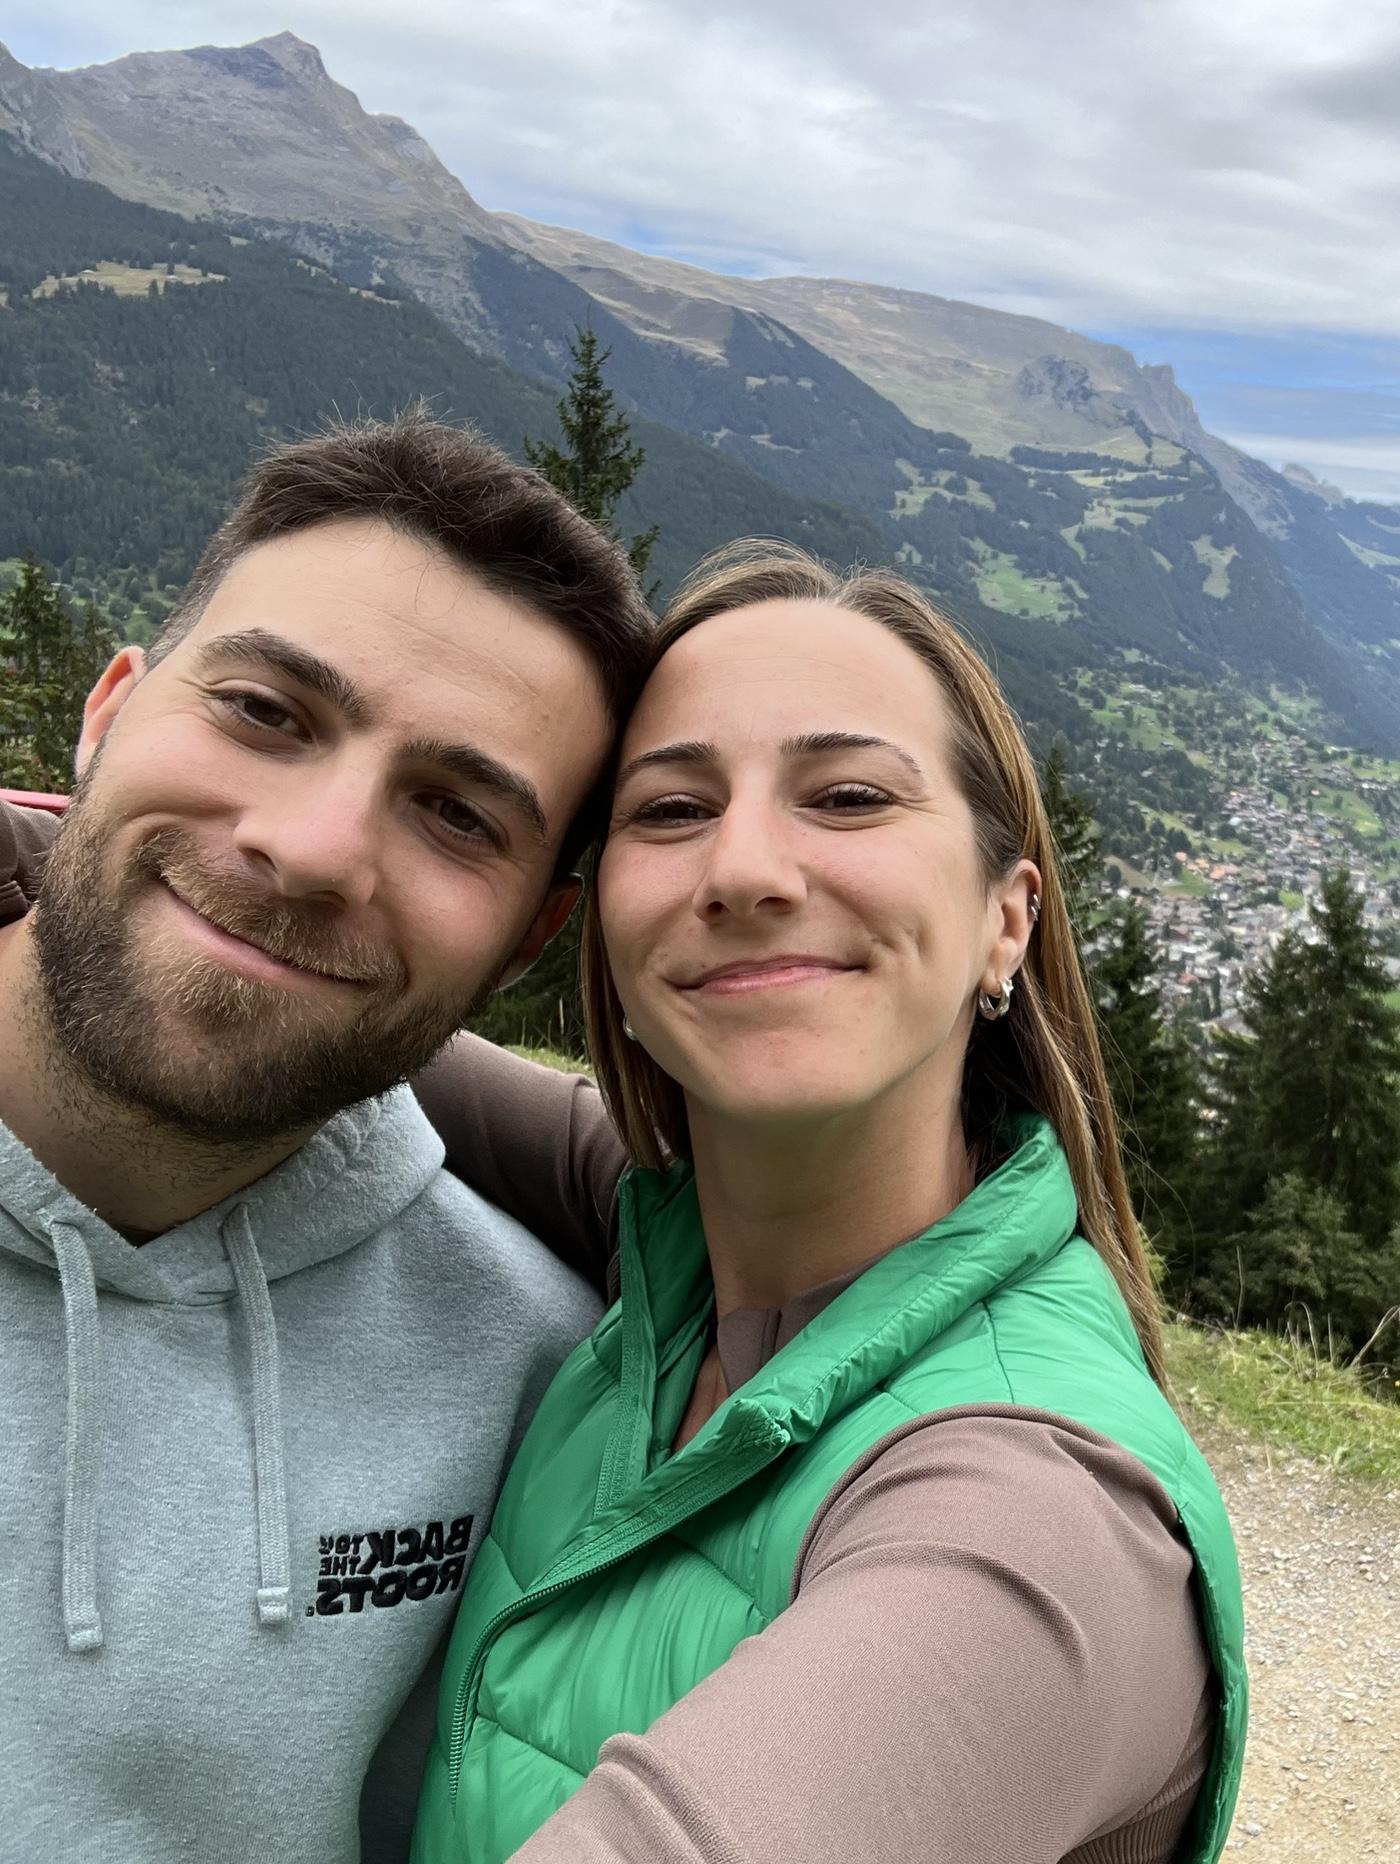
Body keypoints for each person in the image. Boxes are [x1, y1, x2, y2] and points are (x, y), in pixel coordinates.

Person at [403, 544, 1249, 1863]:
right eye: (671, 810)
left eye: (849, 796)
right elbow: (349, 1011)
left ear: (1006, 921)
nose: (744, 868)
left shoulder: (1035, 1523)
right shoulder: (678, 1246)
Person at [0, 413, 652, 1864]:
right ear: (108, 713)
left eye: (457, 816)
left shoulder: (540, 1377)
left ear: (532, 935)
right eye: (265, 711)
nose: (311, 849)